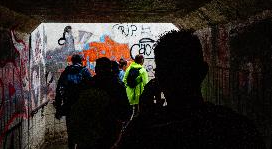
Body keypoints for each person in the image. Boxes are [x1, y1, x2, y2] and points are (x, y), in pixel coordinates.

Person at [117, 30, 265, 149]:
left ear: (159, 77)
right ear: (203, 72)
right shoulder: (236, 128)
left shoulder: (141, 133)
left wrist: (144, 119)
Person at [70, 57, 130, 149]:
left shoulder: (88, 84)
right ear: (109, 69)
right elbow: (126, 113)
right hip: (109, 133)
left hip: (88, 134)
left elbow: (77, 108)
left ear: (96, 69)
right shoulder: (117, 86)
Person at [54, 54, 92, 149]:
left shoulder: (66, 72)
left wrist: (59, 107)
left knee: (70, 130)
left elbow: (59, 89)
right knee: (82, 130)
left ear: (72, 61)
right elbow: (91, 87)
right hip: (82, 106)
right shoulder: (85, 71)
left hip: (69, 105)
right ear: (81, 61)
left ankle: (71, 146)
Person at [123, 54, 148, 119]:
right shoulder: (143, 70)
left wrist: (129, 87)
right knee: (138, 113)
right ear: (142, 61)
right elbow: (146, 84)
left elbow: (124, 80)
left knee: (130, 113)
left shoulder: (129, 68)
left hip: (129, 95)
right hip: (139, 95)